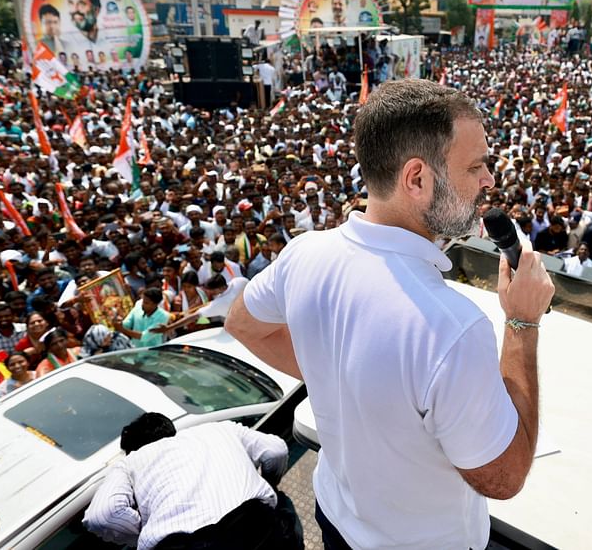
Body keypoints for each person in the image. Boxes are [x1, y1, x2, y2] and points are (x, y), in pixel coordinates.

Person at [226, 79, 555, 549]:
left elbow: (241, 323)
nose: (490, 182)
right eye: (476, 166)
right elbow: (503, 479)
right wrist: (522, 323)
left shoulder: (304, 254)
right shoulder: (451, 328)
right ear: (417, 179)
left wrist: (341, 380)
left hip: (336, 519)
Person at [83, 413, 301, 550]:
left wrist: (144, 530)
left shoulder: (130, 462)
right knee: (280, 503)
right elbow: (276, 450)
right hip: (255, 528)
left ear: (132, 449)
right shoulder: (218, 428)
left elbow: (102, 516)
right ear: (172, 430)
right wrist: (270, 483)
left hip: (178, 545)